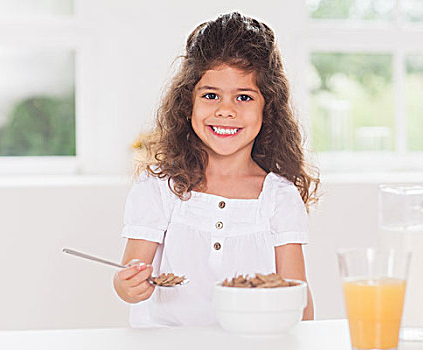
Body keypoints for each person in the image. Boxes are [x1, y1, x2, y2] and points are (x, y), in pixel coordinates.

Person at [113, 12, 320, 327]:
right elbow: (130, 275)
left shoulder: (279, 197)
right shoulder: (159, 186)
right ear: (188, 104)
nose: (226, 110)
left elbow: (299, 302)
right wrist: (127, 285)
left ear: (268, 108)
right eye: (211, 95)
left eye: (244, 97)